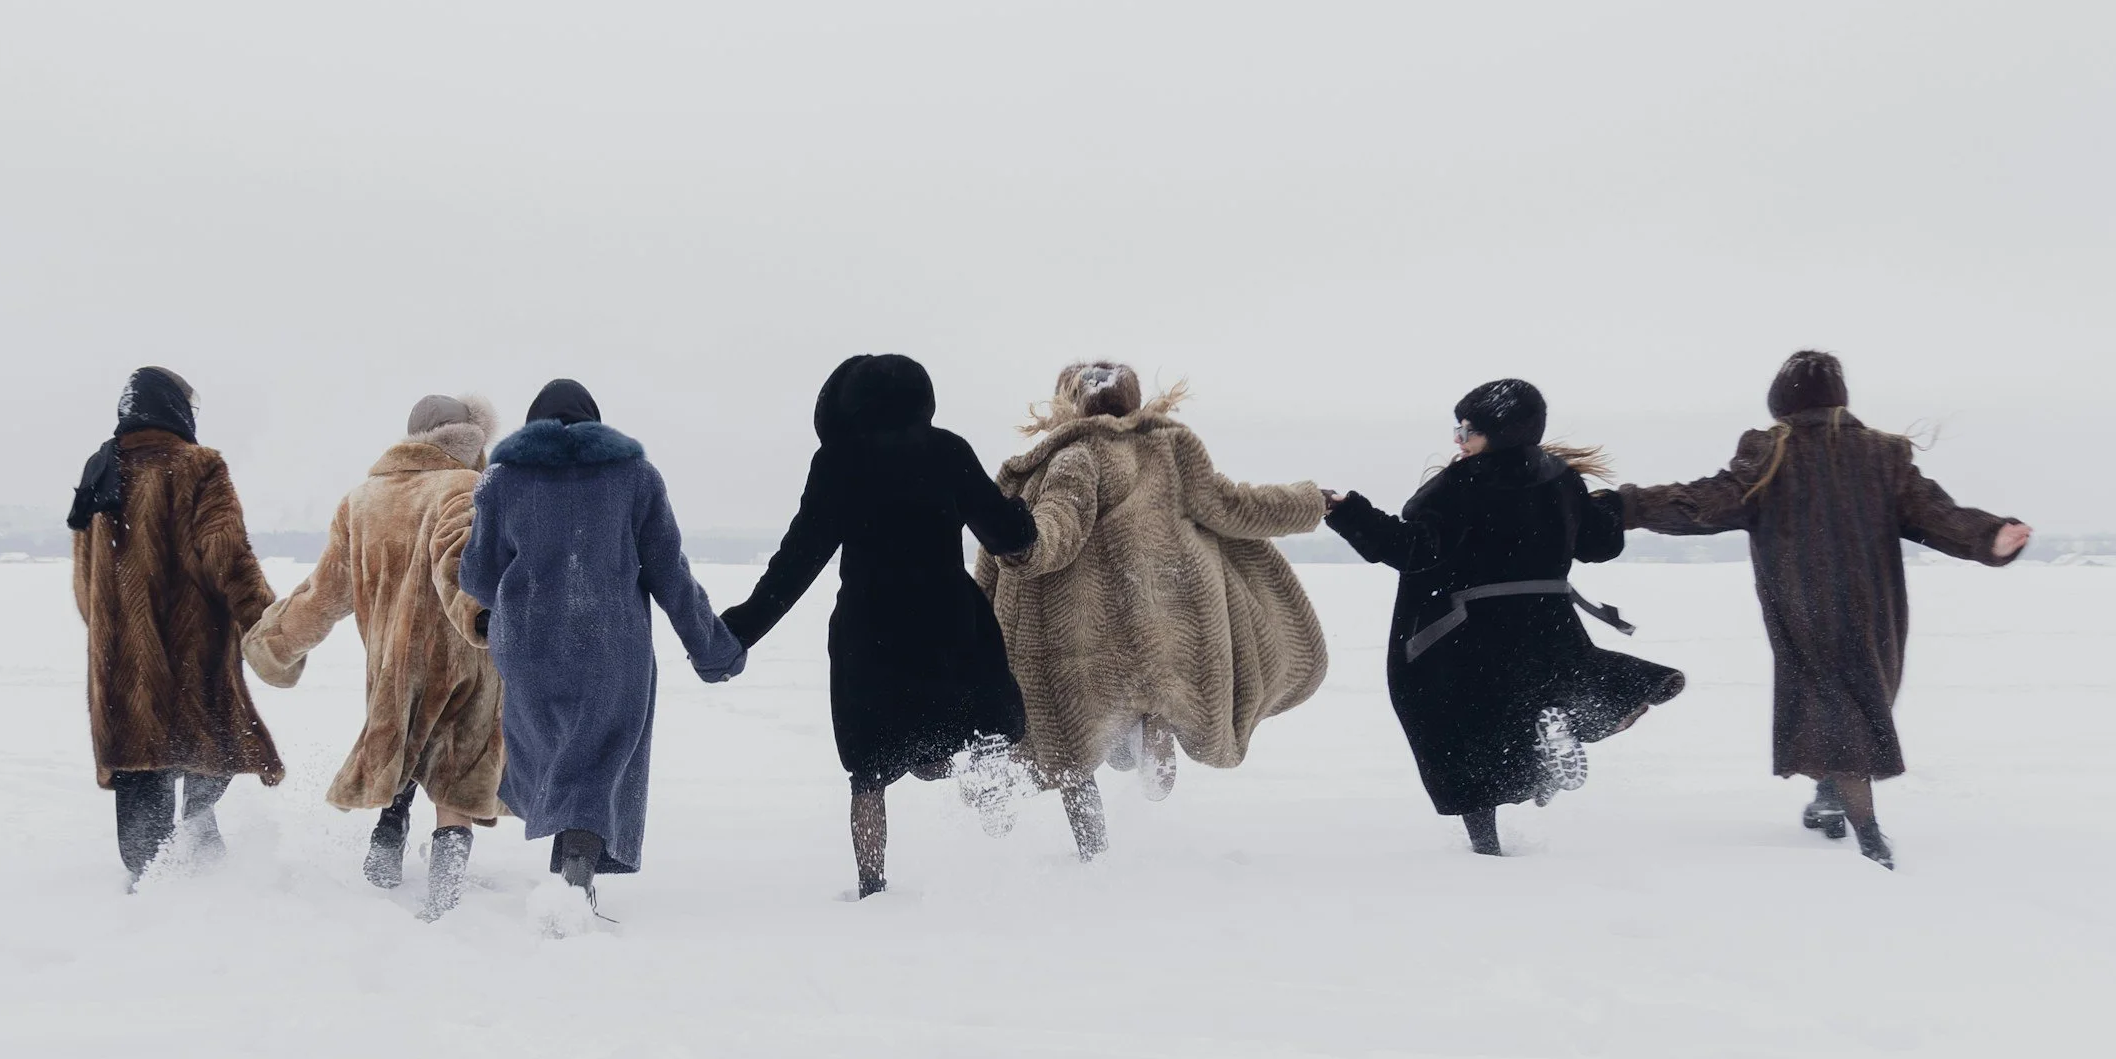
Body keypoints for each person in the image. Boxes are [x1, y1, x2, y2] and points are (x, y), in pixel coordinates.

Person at [1616, 350, 2031, 868]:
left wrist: (1628, 505)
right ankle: (1844, 805)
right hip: (1871, 609)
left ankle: (1868, 834)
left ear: (1782, 403)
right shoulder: (1883, 456)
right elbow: (1935, 514)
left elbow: (1702, 502)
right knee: (1853, 706)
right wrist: (1990, 536)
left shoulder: (1772, 453)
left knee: (1833, 707)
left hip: (1804, 604)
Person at [977, 361, 1330, 858]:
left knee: (1072, 756)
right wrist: (1310, 502)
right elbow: (1234, 505)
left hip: (1082, 635)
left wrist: (1024, 548)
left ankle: (1094, 856)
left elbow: (1059, 520)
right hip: (1161, 627)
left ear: (1068, 403)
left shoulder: (1074, 457)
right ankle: (1154, 737)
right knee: (1132, 719)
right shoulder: (1170, 449)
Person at [721, 355, 1040, 898]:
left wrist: (738, 631)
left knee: (868, 774)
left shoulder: (838, 462)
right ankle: (1000, 860)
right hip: (951, 631)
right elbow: (1008, 537)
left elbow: (798, 561)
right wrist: (1025, 515)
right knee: (981, 739)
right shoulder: (949, 450)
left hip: (870, 639)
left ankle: (872, 887)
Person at [1325, 379, 1685, 856]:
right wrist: (1606, 507)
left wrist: (1350, 513)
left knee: (1458, 732)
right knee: (1532, 704)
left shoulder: (1458, 486)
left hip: (1469, 639)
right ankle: (1562, 732)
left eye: (1466, 430)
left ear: (1497, 433)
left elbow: (1410, 548)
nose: (1458, 439)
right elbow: (1600, 544)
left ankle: (1488, 845)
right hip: (1547, 628)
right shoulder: (1560, 478)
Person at [448, 379, 744, 917]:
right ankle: (574, 878)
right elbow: (669, 572)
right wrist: (712, 649)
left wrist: (520, 592)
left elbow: (478, 573)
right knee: (598, 759)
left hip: (530, 647)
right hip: (613, 648)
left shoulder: (502, 481)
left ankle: (567, 884)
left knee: (553, 755)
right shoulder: (635, 477)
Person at [242, 394, 507, 919]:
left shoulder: (362, 500)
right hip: (464, 659)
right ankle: (445, 893)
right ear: (470, 439)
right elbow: (459, 562)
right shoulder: (466, 489)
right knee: (456, 771)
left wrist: (277, 643)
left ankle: (385, 850)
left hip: (391, 664)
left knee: (401, 743)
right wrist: (481, 617)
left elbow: (325, 591)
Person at [67, 365, 283, 885]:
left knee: (143, 767)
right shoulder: (198, 466)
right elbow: (228, 554)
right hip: (193, 647)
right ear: (175, 409)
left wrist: (109, 632)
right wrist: (266, 624)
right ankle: (196, 854)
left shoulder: (101, 470)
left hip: (120, 660)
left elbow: (83, 580)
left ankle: (150, 886)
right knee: (214, 745)